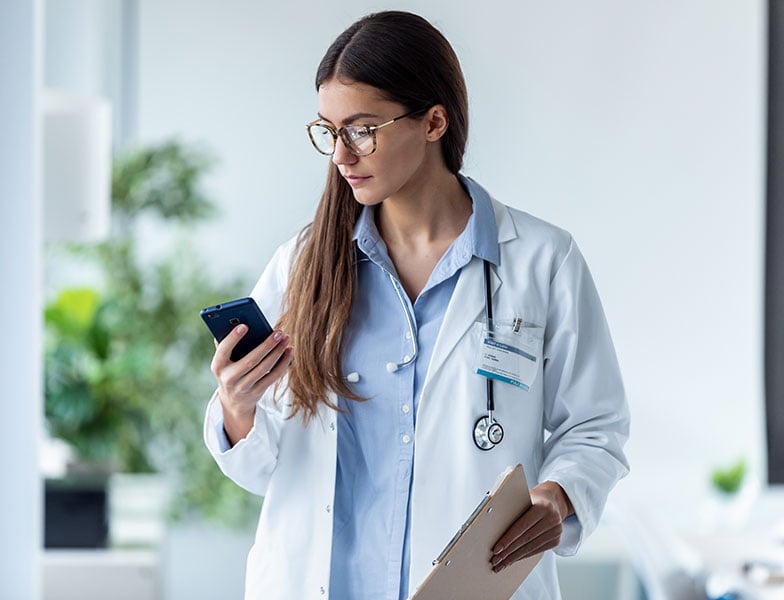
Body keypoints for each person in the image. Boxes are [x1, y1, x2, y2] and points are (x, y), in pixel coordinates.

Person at [204, 10, 629, 600]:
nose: (341, 156)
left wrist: (560, 495)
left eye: (362, 129)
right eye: (329, 131)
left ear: (434, 122)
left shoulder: (540, 261)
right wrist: (236, 406)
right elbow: (257, 466)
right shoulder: (303, 264)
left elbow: (596, 426)